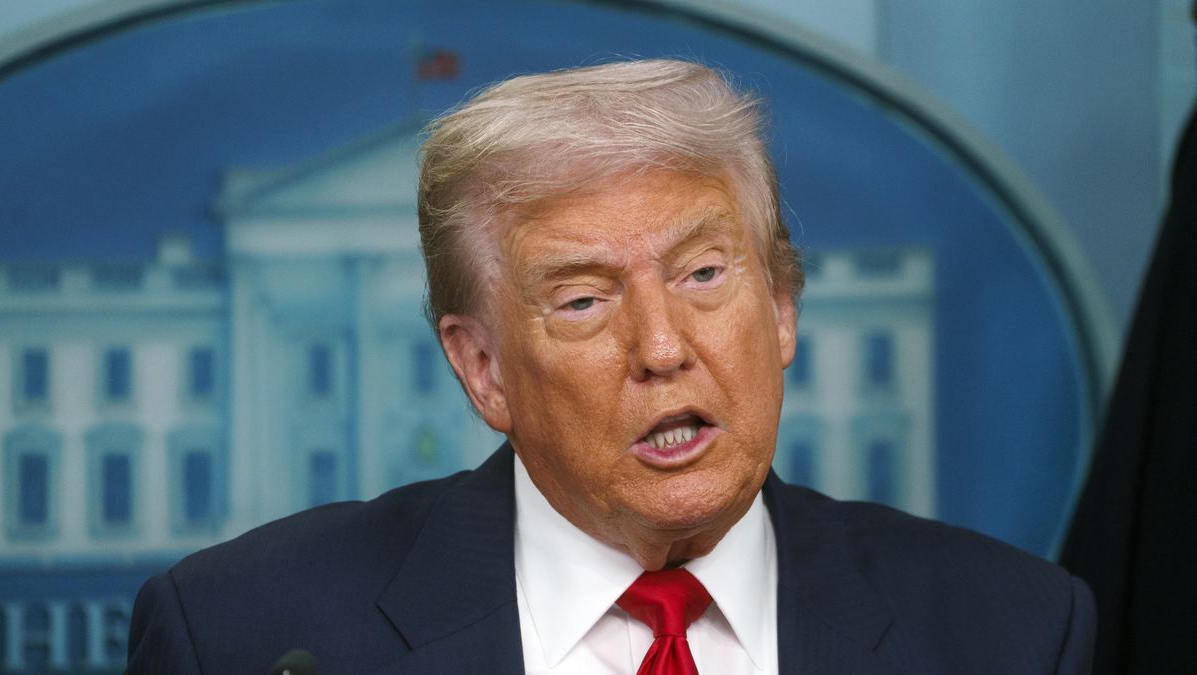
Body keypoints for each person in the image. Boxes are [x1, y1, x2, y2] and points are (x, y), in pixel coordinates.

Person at [126, 59, 1095, 674]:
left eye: (705, 274)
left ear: (783, 308)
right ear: (481, 368)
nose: (664, 348)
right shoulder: (246, 635)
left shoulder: (1009, 630)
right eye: (585, 299)